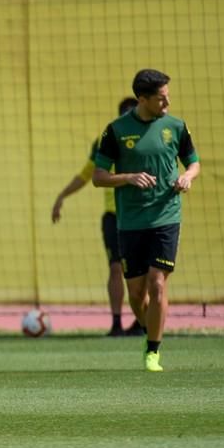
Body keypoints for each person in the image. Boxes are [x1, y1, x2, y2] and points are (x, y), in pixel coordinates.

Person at [92, 69, 200, 371]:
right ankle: (149, 330)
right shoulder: (115, 130)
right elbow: (98, 177)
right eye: (161, 98)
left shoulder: (176, 127)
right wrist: (128, 177)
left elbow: (193, 162)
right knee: (137, 295)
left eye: (168, 96)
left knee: (157, 285)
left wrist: (187, 177)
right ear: (142, 99)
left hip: (166, 216)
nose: (167, 102)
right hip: (130, 223)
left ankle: (153, 351)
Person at [51, 97, 142, 337]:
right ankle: (116, 323)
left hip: (142, 214)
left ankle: (144, 321)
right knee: (115, 269)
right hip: (114, 216)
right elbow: (86, 174)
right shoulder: (107, 141)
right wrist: (62, 196)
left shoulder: (150, 139)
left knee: (144, 273)